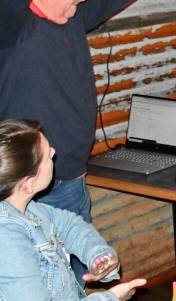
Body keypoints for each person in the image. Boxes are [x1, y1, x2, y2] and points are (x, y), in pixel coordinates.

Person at [0, 0, 176, 225]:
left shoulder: (75, 16)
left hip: (70, 180)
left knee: (77, 277)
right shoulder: (11, 25)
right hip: (21, 191)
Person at [0, 118, 147, 300]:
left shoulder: (27, 208)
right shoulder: (7, 238)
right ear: (28, 184)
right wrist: (110, 297)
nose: (54, 152)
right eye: (47, 156)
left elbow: (70, 225)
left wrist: (98, 255)